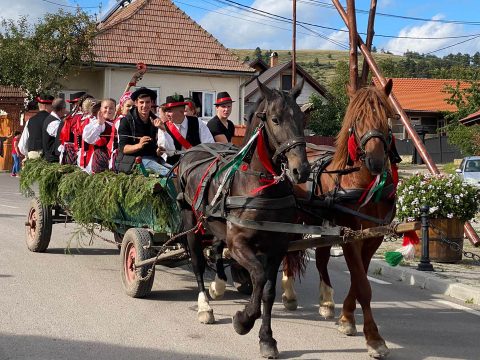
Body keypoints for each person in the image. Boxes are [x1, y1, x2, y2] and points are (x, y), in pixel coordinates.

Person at [117, 87, 169, 175]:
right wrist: (139, 145)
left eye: (147, 102)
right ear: (136, 103)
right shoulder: (126, 121)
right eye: (141, 102)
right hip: (133, 161)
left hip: (154, 159)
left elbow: (158, 145)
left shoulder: (156, 120)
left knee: (174, 172)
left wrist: (158, 149)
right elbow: (123, 148)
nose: (145, 105)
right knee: (167, 173)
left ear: (152, 103)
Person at [159, 94, 214, 164]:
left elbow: (209, 144)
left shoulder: (197, 122)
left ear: (182, 110)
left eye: (169, 111)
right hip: (173, 167)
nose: (166, 114)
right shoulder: (163, 127)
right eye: (166, 111)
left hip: (196, 165)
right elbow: (168, 153)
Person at [82, 99, 116, 173]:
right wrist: (99, 124)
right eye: (105, 107)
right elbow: (88, 138)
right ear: (100, 109)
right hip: (100, 159)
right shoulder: (96, 123)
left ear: (115, 110)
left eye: (111, 108)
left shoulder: (115, 123)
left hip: (112, 158)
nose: (108, 110)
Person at [18, 95, 54, 159]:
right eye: (51, 105)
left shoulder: (30, 121)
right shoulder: (54, 120)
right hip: (49, 156)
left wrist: (29, 154)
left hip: (33, 154)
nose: (53, 108)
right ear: (46, 106)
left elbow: (21, 145)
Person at [42, 98, 67, 163]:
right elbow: (63, 135)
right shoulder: (54, 123)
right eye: (65, 109)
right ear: (62, 109)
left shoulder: (52, 119)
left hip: (52, 157)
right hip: (52, 158)